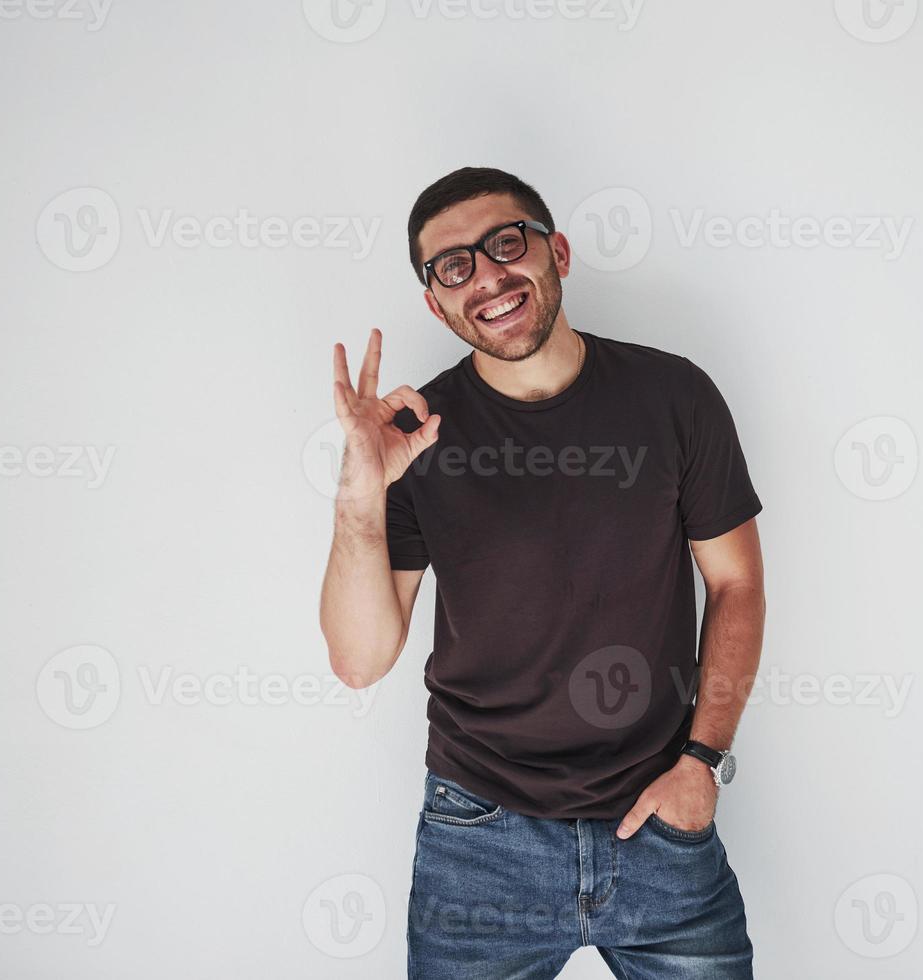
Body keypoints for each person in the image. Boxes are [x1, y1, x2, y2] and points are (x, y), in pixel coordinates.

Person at [318, 166, 766, 979]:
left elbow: (735, 584)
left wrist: (701, 764)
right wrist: (361, 491)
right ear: (435, 302)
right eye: (453, 266)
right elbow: (359, 660)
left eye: (505, 244)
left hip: (660, 822)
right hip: (479, 838)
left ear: (555, 251)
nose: (486, 276)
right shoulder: (416, 439)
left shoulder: (675, 396)